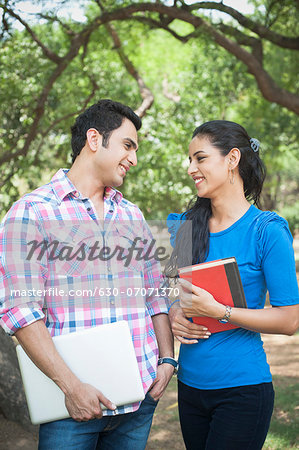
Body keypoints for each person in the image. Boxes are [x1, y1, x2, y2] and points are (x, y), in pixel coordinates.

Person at [0, 99, 177, 449]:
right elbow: (20, 312)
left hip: (139, 402)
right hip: (71, 407)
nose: (134, 159)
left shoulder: (132, 216)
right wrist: (71, 387)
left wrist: (168, 359)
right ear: (94, 139)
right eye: (128, 145)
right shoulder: (30, 213)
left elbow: (155, 294)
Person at [166, 120, 299, 450]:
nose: (191, 168)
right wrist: (174, 312)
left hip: (242, 389)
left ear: (232, 159)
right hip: (190, 388)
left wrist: (220, 311)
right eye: (189, 160)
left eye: (200, 158)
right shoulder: (186, 228)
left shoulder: (267, 230)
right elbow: (178, 296)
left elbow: (289, 320)